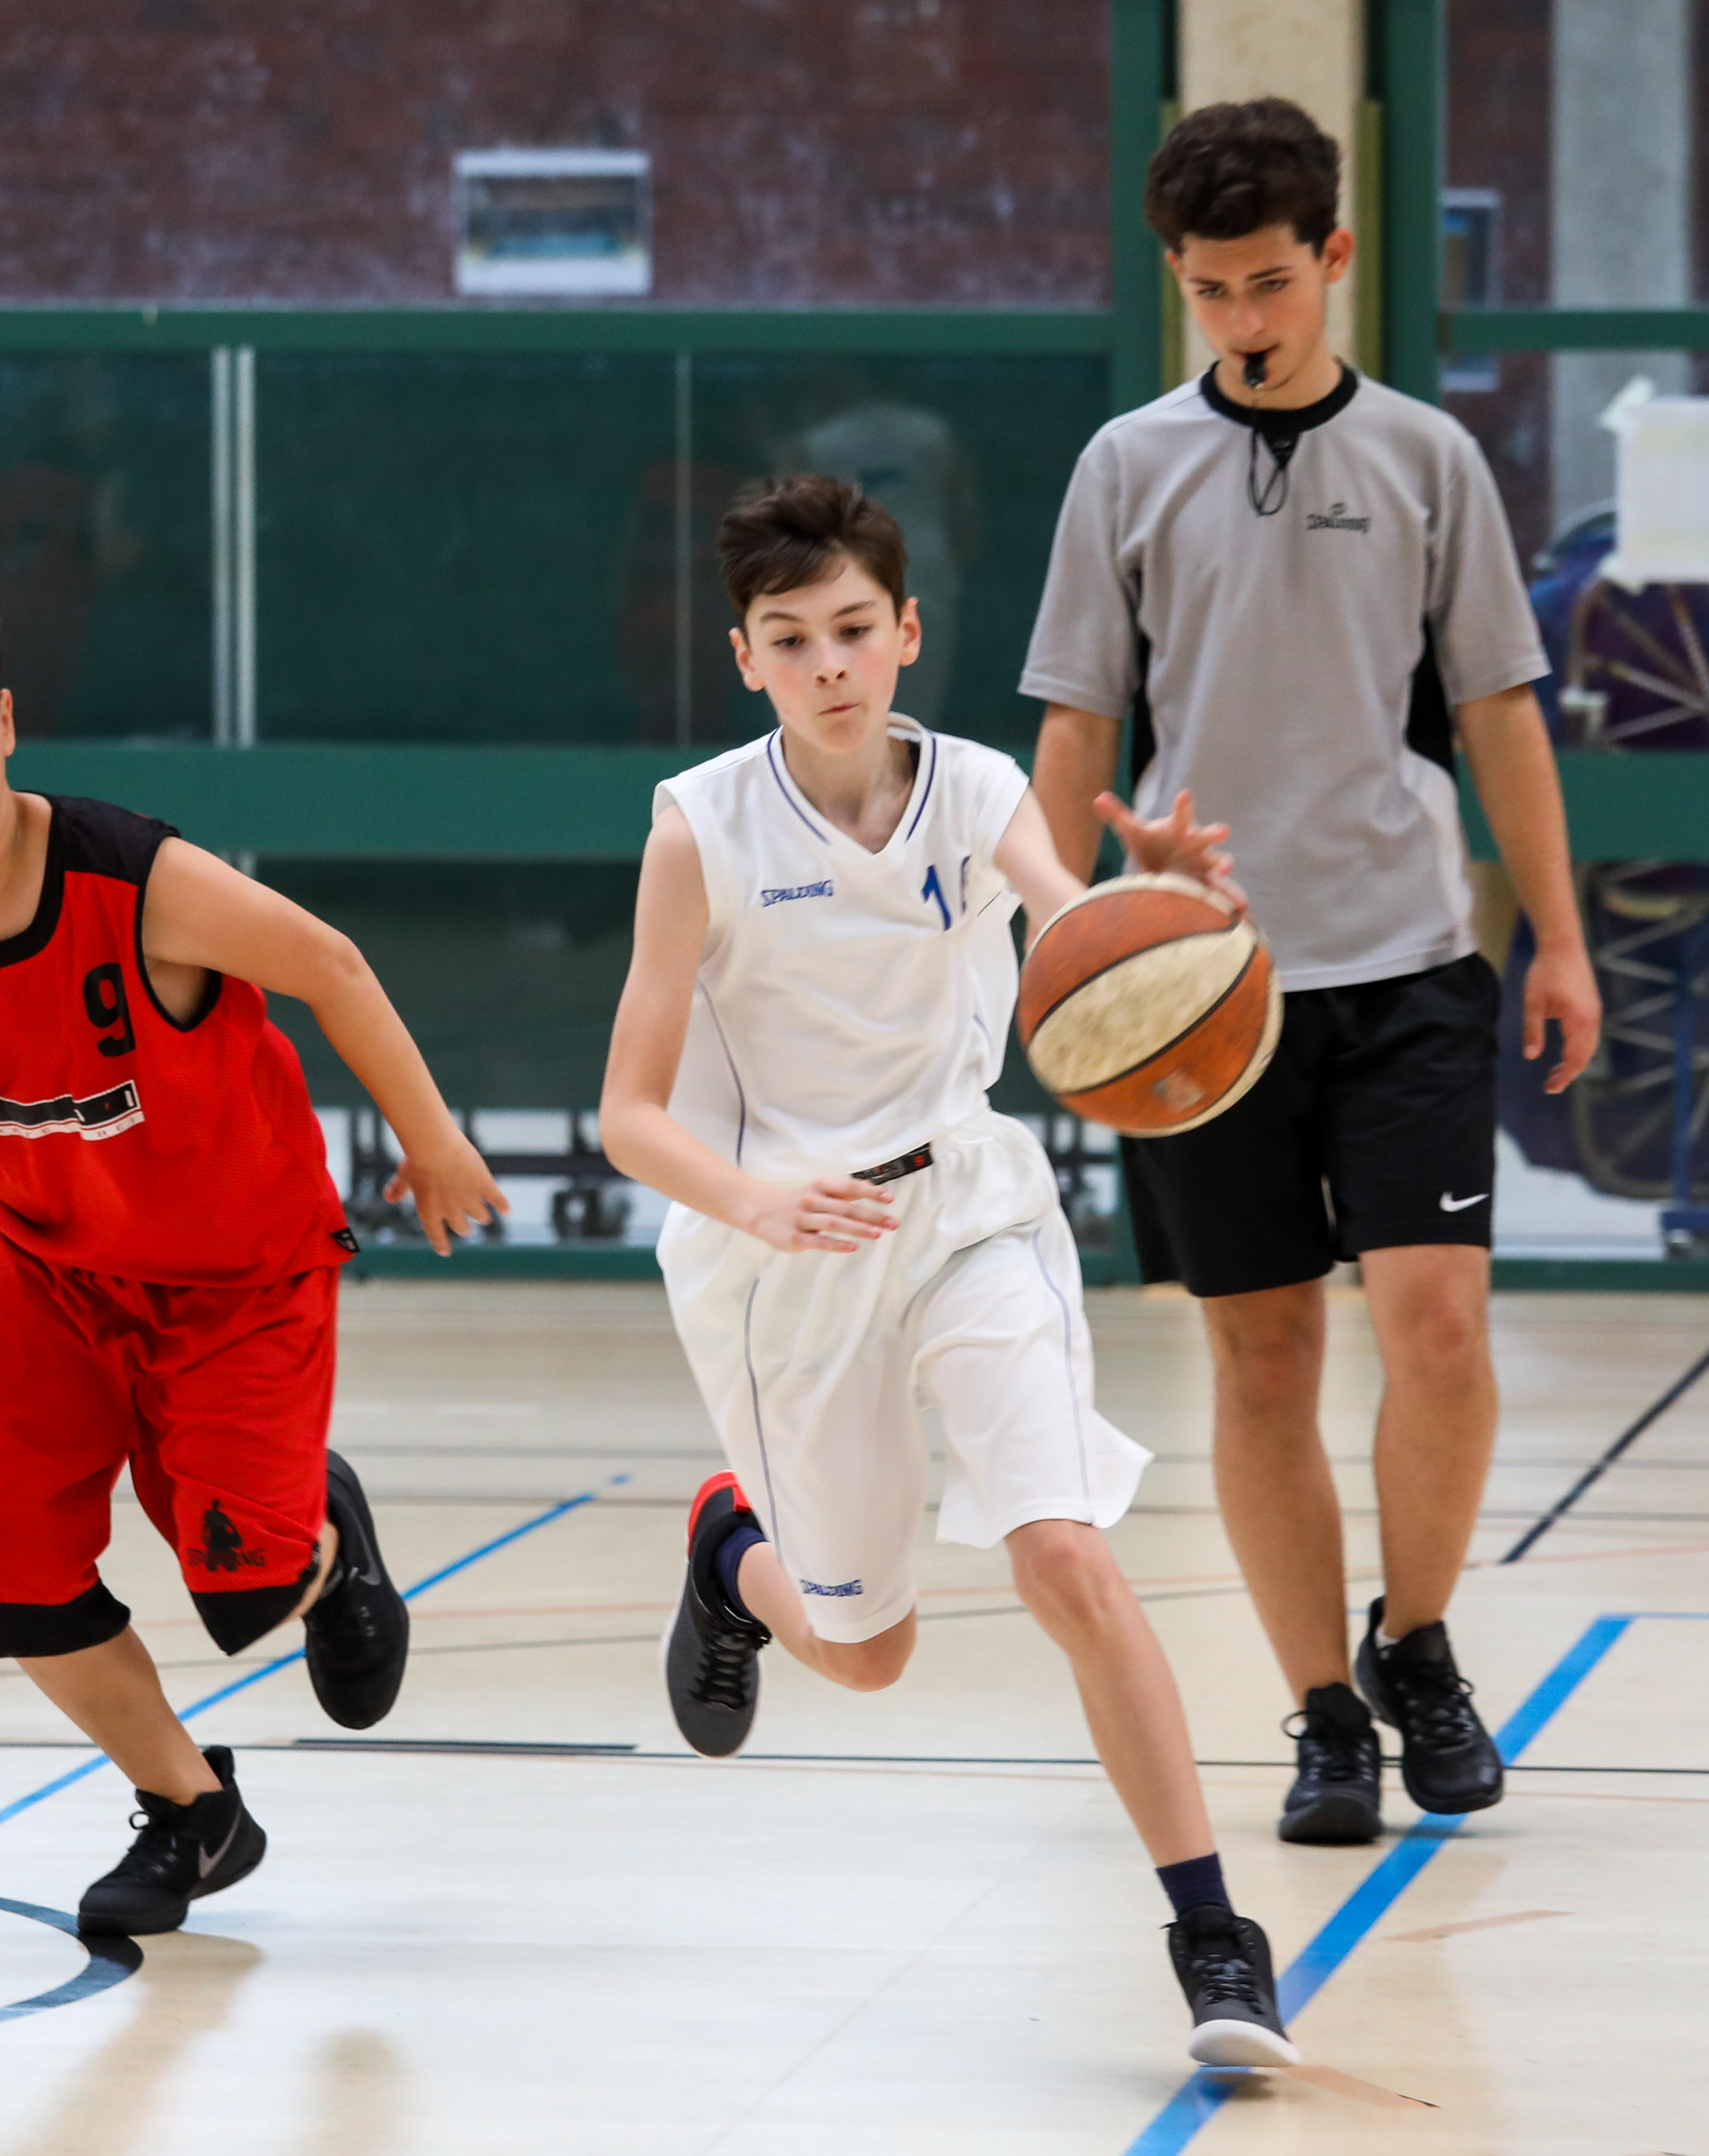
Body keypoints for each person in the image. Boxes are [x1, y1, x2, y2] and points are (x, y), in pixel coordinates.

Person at [601, 475, 1297, 2068]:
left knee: (1065, 1555)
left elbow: (1077, 932)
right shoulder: (698, 829)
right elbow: (630, 1115)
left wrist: (1169, 912)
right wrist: (760, 1199)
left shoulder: (978, 789)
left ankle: (1212, 1937)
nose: (829, 663)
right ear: (745, 659)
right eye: (792, 640)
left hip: (971, 1210)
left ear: (906, 632)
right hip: (782, 1252)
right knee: (868, 1654)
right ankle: (731, 1553)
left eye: (854, 628)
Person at [1019, 99, 1600, 1846]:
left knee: (1437, 1327)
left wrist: (1558, 935)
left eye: (1269, 283)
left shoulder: (1427, 459)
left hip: (1406, 959)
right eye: (1208, 291)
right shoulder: (1125, 465)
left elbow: (1498, 712)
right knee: (1261, 1356)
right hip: (1199, 988)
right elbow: (1074, 726)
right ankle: (1325, 1716)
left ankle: (1414, 1643)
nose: (1243, 319)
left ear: (1333, 258)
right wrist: (1050, 937)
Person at [0, 585, 509, 1933]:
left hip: (239, 1272)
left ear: (8, 725)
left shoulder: (130, 878)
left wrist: (432, 1140)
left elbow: (331, 965)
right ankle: (193, 1810)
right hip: (54, 1281)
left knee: (245, 1580)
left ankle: (325, 1544)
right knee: (6, 1581)